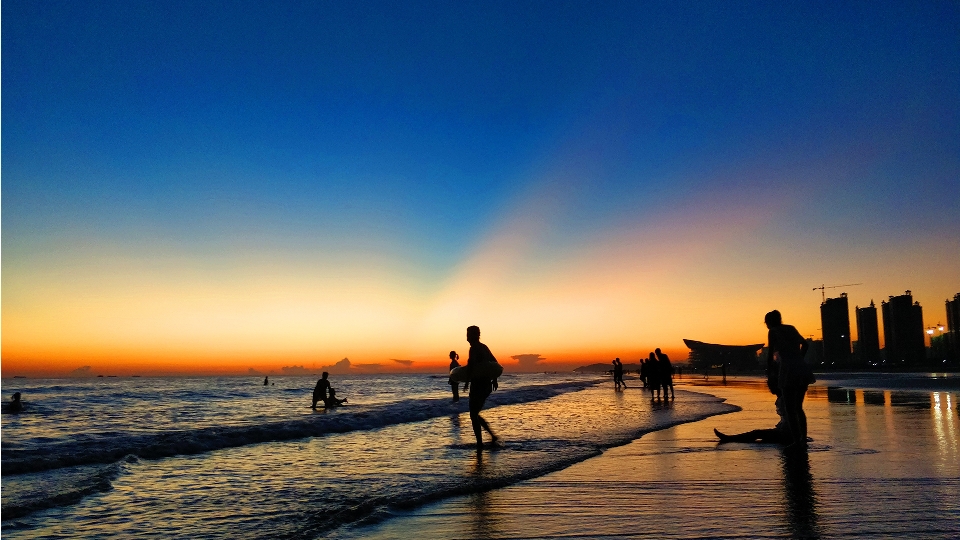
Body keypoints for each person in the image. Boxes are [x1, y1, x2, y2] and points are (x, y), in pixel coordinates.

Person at [765, 309, 811, 449]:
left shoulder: (773, 331)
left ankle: (797, 441)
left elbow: (770, 352)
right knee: (799, 407)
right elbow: (806, 344)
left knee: (790, 408)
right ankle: (802, 438)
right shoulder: (791, 328)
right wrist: (799, 358)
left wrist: (770, 371)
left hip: (788, 370)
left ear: (770, 322)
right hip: (801, 368)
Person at [715, 359, 787, 444]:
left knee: (757, 433)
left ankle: (729, 439)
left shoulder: (786, 397)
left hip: (785, 433)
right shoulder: (783, 396)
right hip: (783, 430)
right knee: (759, 435)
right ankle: (730, 438)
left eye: (770, 385)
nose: (769, 387)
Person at [466, 325, 499, 449]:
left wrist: (466, 381)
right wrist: (494, 379)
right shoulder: (484, 347)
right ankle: (490, 436)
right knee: (475, 414)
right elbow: (494, 362)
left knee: (473, 414)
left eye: (468, 334)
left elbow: (471, 366)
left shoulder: (474, 348)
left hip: (478, 385)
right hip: (487, 385)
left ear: (474, 335)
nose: (467, 337)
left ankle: (480, 443)